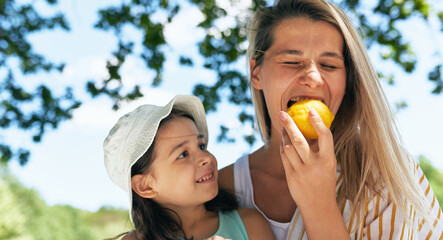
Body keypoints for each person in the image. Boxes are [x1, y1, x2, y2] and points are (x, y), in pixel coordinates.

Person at [218, 0, 443, 239]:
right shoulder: (216, 189)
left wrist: (318, 205)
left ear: (347, 82)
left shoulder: (388, 176)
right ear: (257, 74)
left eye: (329, 64)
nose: (313, 77)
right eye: (292, 62)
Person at [104, 95, 274, 240]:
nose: (206, 158)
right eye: (183, 154)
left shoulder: (250, 224)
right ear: (146, 186)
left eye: (201, 146)